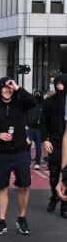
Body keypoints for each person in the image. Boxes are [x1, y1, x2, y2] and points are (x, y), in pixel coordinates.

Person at [0, 77, 37, 235]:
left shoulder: (20, 102)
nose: (7, 90)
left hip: (21, 152)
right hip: (0, 154)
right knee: (2, 187)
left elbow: (33, 102)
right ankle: (1, 221)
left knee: (24, 186)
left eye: (9, 87)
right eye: (4, 87)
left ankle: (22, 219)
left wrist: (18, 87)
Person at [41, 74, 67, 218]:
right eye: (57, 84)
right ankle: (54, 196)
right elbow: (43, 122)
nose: (59, 87)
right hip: (55, 143)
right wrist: (45, 140)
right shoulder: (49, 102)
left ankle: (64, 205)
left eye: (62, 84)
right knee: (53, 176)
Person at [25, 90, 43, 170]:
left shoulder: (43, 105)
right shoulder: (29, 104)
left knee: (38, 146)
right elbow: (25, 114)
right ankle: (28, 162)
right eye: (36, 94)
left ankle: (37, 162)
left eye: (38, 94)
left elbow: (45, 117)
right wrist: (25, 125)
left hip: (39, 129)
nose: (37, 96)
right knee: (28, 145)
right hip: (29, 128)